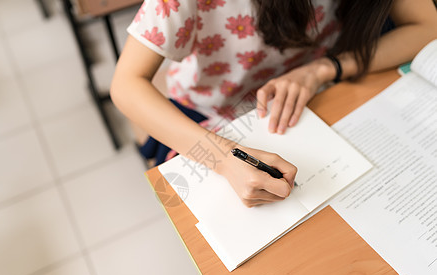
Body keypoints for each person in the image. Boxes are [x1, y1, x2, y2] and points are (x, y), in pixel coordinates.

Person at [111, 0, 437, 207]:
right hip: (208, 114)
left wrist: (325, 68)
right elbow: (126, 85)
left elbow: (428, 25)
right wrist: (223, 158)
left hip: (312, 91)